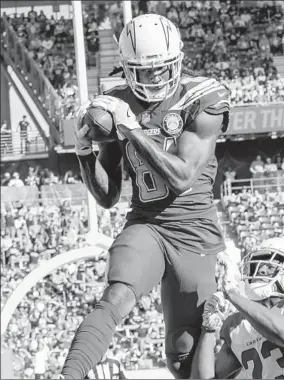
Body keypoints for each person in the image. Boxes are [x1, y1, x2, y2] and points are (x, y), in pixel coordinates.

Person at [61, 14, 230, 379]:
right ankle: (68, 375)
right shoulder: (114, 104)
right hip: (148, 224)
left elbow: (183, 177)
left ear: (178, 61)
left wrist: (133, 129)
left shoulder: (200, 99)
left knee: (182, 356)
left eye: (162, 68)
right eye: (144, 70)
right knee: (116, 296)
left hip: (194, 229)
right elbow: (107, 197)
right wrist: (84, 153)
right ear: (127, 67)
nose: (154, 77)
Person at [192, 237, 284, 379]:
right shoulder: (237, 324)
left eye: (270, 264)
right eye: (257, 264)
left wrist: (231, 293)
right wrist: (208, 328)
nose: (261, 269)